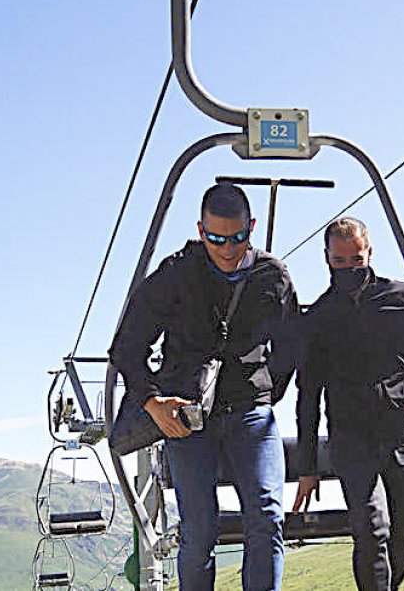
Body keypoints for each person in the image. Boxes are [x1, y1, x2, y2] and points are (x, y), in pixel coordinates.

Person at [110, 182, 299, 591]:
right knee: (198, 532)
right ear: (200, 230)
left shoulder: (272, 276)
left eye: (237, 238)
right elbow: (126, 347)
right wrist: (153, 403)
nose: (227, 249)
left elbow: (291, 347)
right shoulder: (176, 274)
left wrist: (264, 391)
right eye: (216, 239)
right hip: (187, 419)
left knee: (267, 517)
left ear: (251, 228)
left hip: (250, 413)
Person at [292, 217, 404, 591]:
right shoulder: (318, 319)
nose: (349, 268)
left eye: (356, 259)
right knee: (371, 529)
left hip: (402, 431)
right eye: (340, 261)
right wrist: (307, 467)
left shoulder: (401, 298)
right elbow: (308, 396)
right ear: (327, 258)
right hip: (351, 439)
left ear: (370, 253)